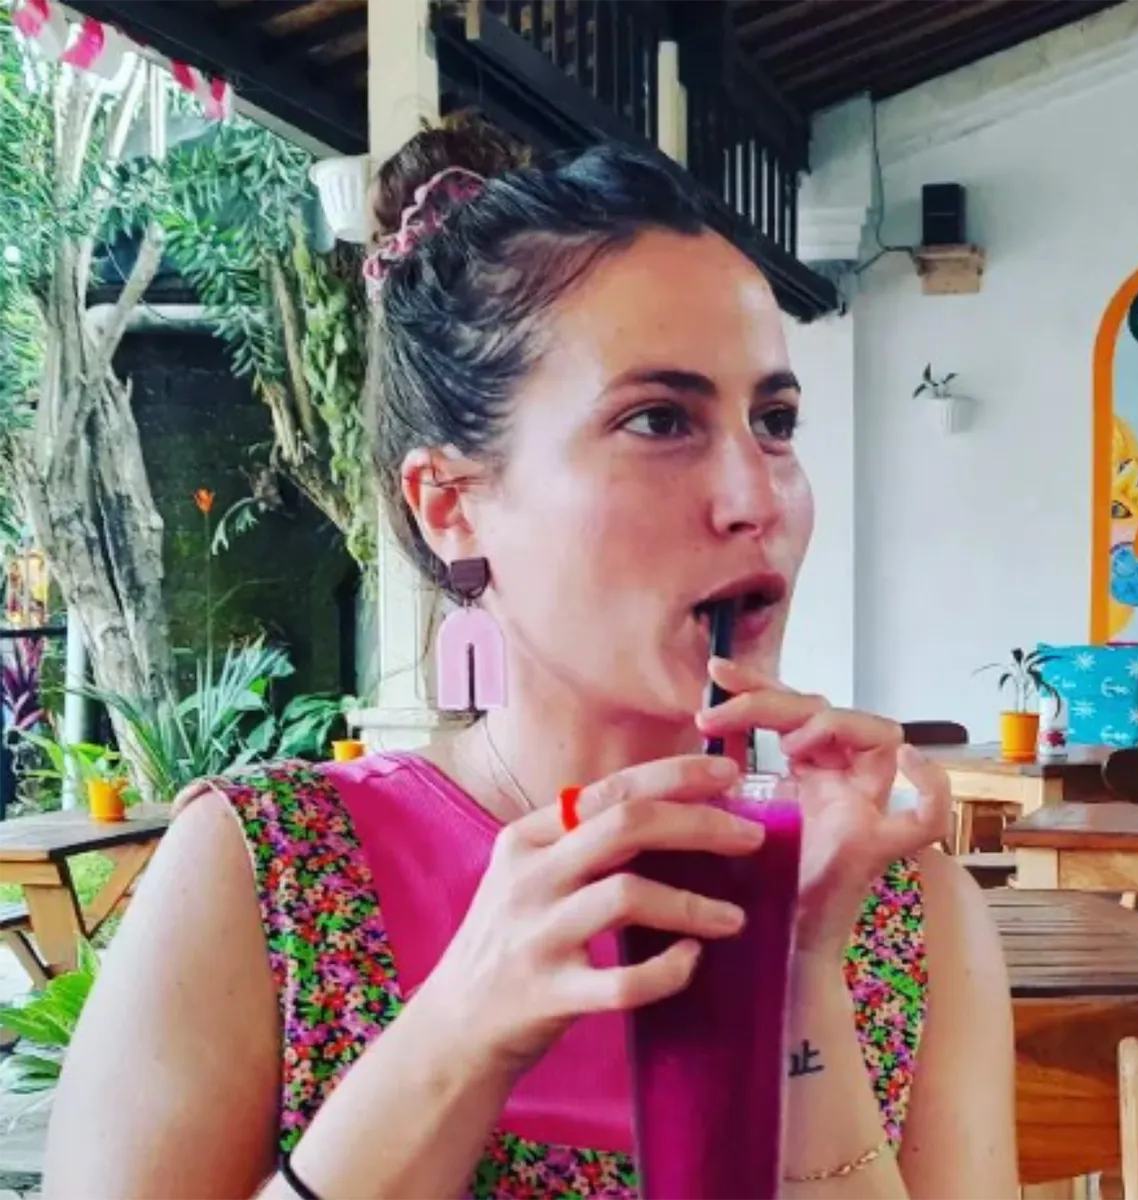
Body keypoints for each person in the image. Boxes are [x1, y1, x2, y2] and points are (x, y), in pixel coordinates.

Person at [43, 114, 1017, 1199]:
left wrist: (796, 981)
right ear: (451, 504)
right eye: (659, 420)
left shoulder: (901, 911)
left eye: (775, 421)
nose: (758, 498)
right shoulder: (270, 874)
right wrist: (458, 1032)